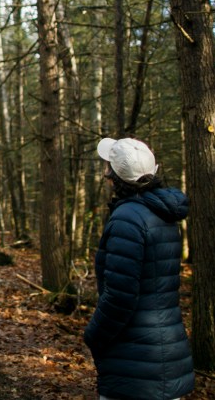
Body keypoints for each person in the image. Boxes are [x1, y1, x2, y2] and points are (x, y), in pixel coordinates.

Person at [84, 137, 195, 400]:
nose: (104, 172)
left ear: (116, 177)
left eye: (108, 167)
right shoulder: (162, 214)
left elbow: (120, 296)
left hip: (135, 358)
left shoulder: (128, 219)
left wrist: (94, 335)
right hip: (165, 352)